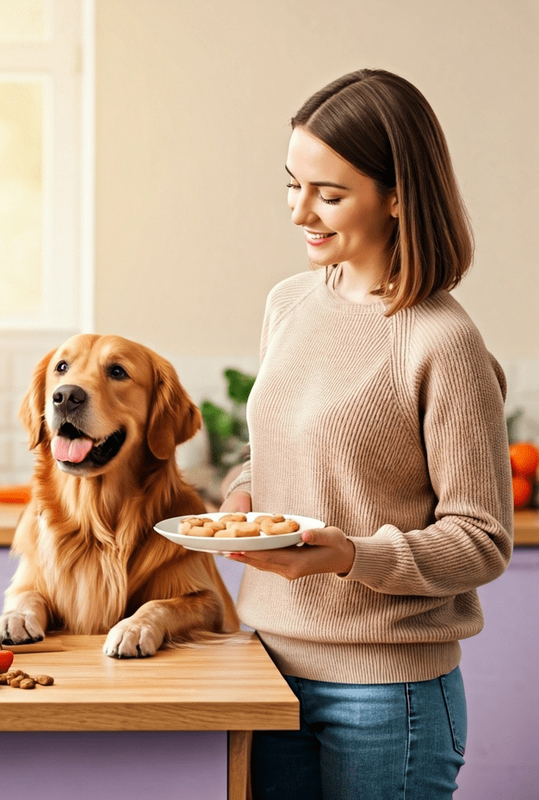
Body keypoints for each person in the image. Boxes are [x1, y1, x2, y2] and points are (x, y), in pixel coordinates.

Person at [221, 68, 513, 800]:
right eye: (293, 185)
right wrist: (240, 499)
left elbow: (482, 539)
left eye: (328, 194)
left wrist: (353, 555)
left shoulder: (443, 342)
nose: (300, 212)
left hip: (388, 698)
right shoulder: (288, 304)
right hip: (270, 667)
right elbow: (273, 447)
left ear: (397, 195)